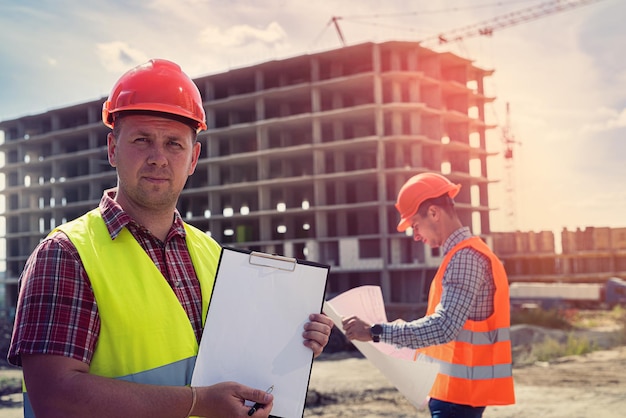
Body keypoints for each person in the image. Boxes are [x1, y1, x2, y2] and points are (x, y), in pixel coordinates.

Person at [7, 59, 333, 418]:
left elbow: (229, 367)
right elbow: (55, 397)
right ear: (113, 149)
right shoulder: (65, 254)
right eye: (142, 140)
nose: (158, 158)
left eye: (174, 144)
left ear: (193, 158)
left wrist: (291, 345)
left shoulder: (212, 253)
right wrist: (196, 403)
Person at [342, 172, 515, 418]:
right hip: (456, 396)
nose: (415, 235)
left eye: (415, 225)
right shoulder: (462, 255)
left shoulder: (465, 258)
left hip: (458, 399)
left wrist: (374, 332)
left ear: (434, 213)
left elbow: (444, 327)